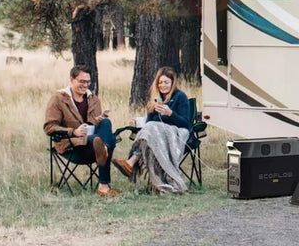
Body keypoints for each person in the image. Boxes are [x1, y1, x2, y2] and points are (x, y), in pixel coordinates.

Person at [43, 65, 120, 197]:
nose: (85, 85)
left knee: (105, 123)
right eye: (82, 81)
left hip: (92, 145)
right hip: (73, 147)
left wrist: (97, 120)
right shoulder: (58, 99)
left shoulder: (93, 99)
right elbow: (49, 127)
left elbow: (94, 124)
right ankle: (104, 185)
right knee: (109, 139)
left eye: (88, 82)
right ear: (72, 80)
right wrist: (73, 132)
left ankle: (104, 150)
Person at [113, 67, 190, 193]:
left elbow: (186, 124)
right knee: (150, 129)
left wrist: (171, 114)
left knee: (152, 128)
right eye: (160, 82)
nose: (163, 85)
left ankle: (131, 162)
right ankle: (153, 180)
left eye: (166, 82)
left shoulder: (180, 97)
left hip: (175, 132)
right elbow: (148, 123)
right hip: (156, 135)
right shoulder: (155, 98)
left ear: (172, 83)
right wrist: (139, 120)